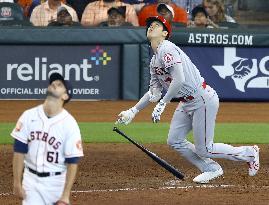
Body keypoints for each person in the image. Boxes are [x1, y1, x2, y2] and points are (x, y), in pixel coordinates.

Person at [116, 15, 260, 184]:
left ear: (165, 33)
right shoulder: (154, 60)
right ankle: (210, 168)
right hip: (187, 101)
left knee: (205, 148)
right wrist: (134, 110)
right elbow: (154, 93)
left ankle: (249, 153)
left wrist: (164, 103)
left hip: (202, 98)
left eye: (156, 25)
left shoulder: (167, 49)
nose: (151, 27)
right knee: (174, 140)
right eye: (149, 25)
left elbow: (179, 79)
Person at [12, 73, 84, 204]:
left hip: (56, 184)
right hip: (30, 181)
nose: (55, 84)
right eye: (53, 83)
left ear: (65, 96)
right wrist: (17, 182)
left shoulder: (70, 125)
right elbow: (19, 150)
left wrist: (65, 195)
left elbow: (72, 162)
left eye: (60, 85)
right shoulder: (28, 116)